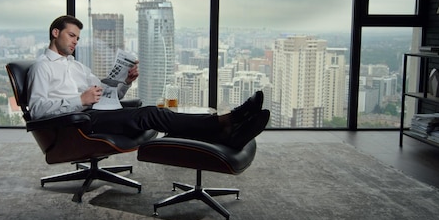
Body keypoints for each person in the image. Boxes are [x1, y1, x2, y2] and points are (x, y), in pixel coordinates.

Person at [26, 15, 269, 150]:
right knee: (153, 113)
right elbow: (37, 110)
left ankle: (225, 130)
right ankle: (227, 122)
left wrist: (125, 83)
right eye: (71, 36)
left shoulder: (76, 66)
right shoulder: (42, 67)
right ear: (55, 33)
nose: (75, 42)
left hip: (96, 112)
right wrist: (79, 100)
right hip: (78, 124)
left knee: (155, 114)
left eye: (78, 38)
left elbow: (108, 95)